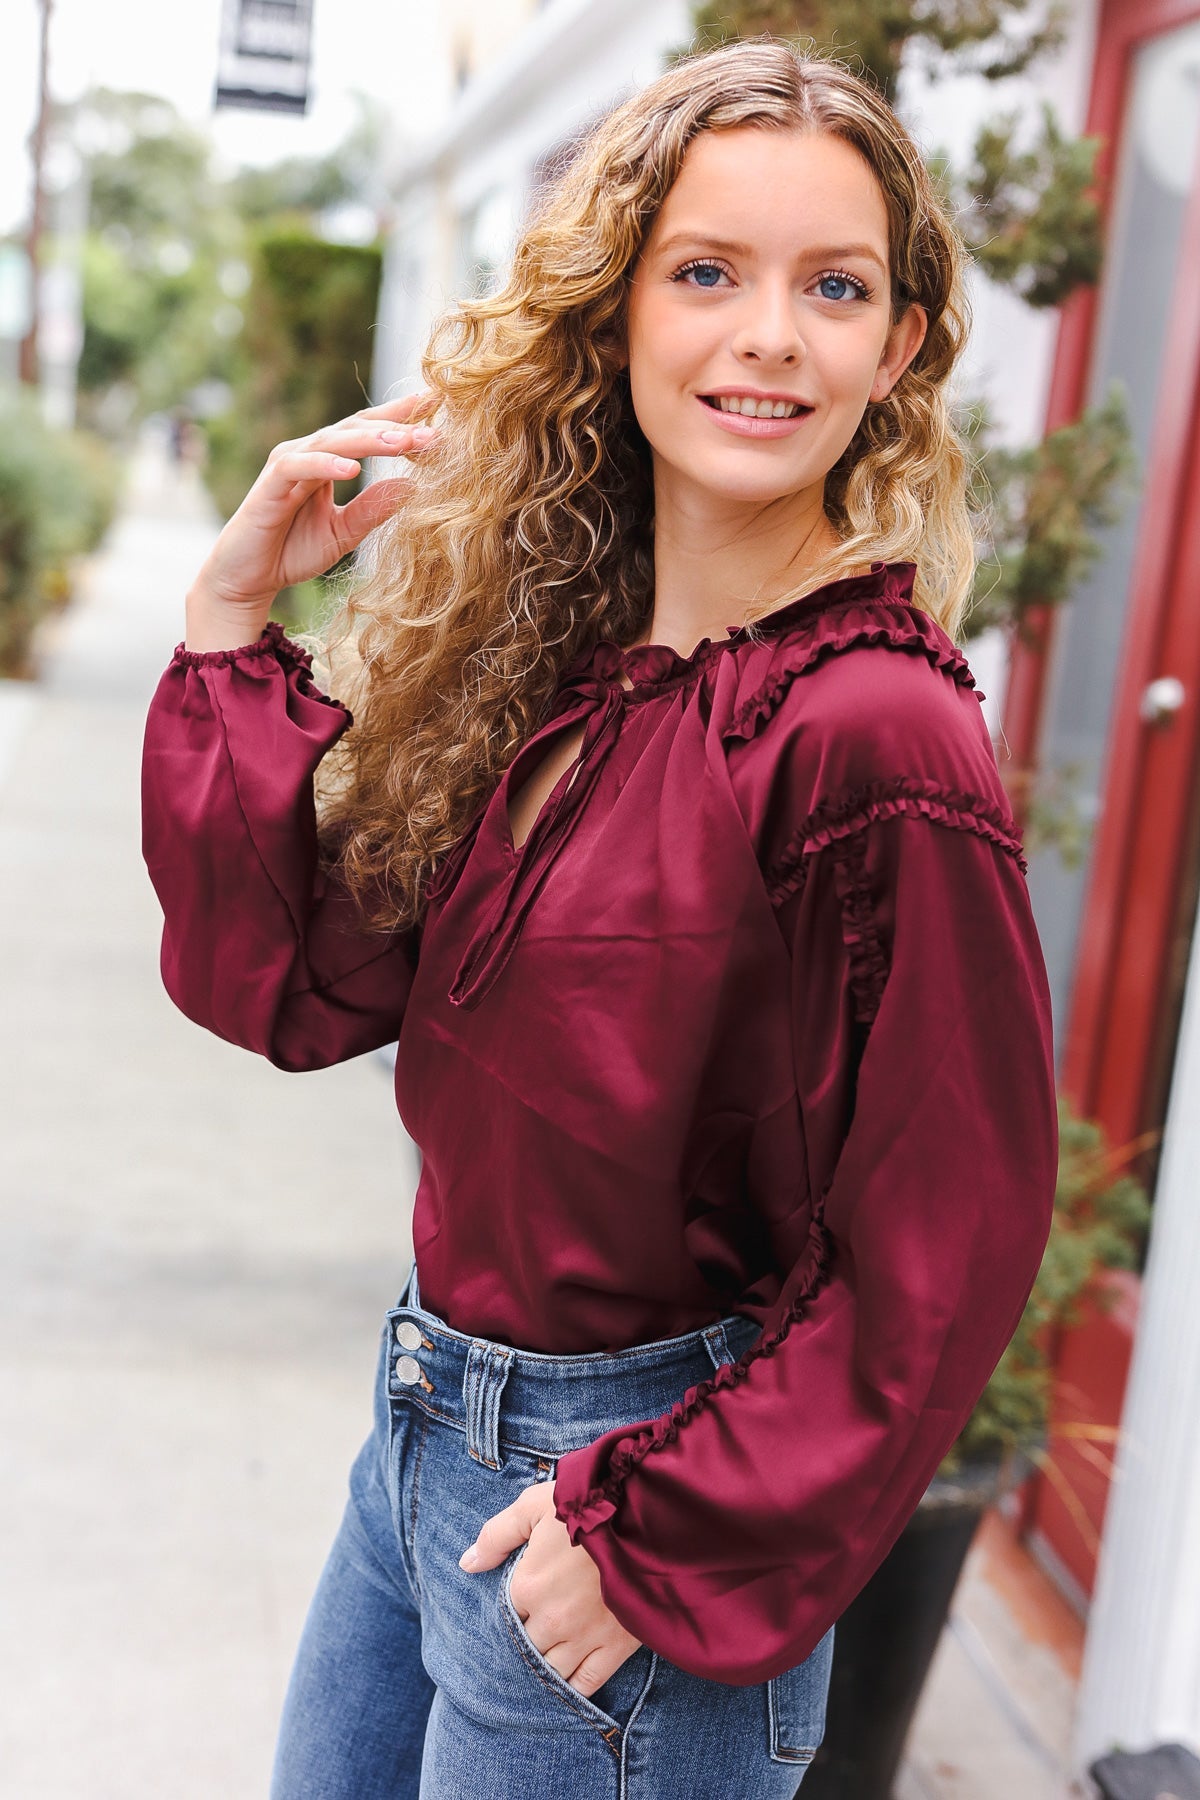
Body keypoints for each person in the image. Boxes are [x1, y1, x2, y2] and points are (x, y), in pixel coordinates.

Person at [140, 37, 1058, 1800]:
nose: (770, 333)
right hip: (425, 1440)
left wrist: (658, 1539)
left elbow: (948, 1240)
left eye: (835, 287)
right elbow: (299, 980)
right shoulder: (573, 674)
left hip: (621, 1510)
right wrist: (229, 626)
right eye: (705, 272)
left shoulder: (872, 729)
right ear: (615, 315)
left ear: (902, 349)